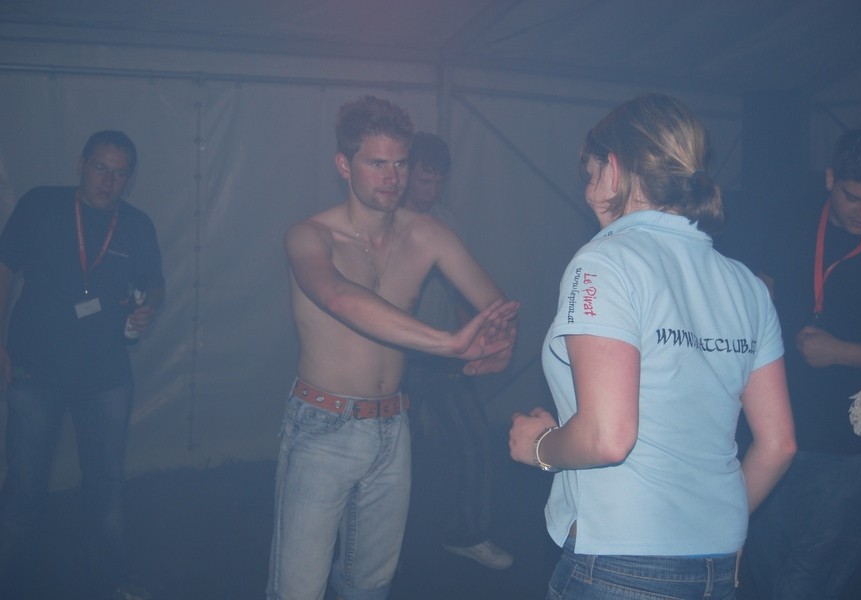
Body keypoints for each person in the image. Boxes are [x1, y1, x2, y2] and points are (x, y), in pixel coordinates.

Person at [508, 94, 796, 600]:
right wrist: (712, 529)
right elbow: (778, 446)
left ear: (615, 170)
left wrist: (539, 447)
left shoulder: (604, 263)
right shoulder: (746, 284)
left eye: (591, 175)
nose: (588, 192)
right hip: (716, 565)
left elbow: (608, 436)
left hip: (619, 566)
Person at [265, 96, 519, 600]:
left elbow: (495, 303)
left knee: (371, 587)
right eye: (377, 163)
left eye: (400, 164)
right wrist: (449, 343)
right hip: (322, 425)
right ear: (344, 165)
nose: (392, 177)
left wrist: (500, 339)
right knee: (298, 590)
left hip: (392, 426)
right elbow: (339, 297)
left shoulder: (428, 234)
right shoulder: (309, 236)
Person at [0, 130, 165, 599]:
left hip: (105, 375)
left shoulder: (136, 225)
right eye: (100, 168)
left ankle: (112, 581)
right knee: (24, 488)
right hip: (36, 368)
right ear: (81, 164)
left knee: (107, 486)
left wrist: (148, 306)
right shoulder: (40, 205)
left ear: (129, 178)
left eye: (119, 173)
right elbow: (5, 267)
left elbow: (155, 283)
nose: (107, 181)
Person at [744, 124, 861, 600]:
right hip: (776, 426)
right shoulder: (792, 218)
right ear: (831, 178)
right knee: (761, 567)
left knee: (806, 579)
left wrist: (841, 352)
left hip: (853, 445)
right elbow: (761, 290)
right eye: (854, 198)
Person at [402, 132, 513, 569]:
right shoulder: (385, 222)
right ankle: (385, 546)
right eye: (422, 181)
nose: (429, 192)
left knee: (473, 441)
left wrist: (478, 341)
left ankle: (468, 534)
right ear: (405, 174)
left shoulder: (445, 222)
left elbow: (465, 289)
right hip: (394, 357)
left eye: (437, 183)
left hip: (445, 354)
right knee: (394, 455)